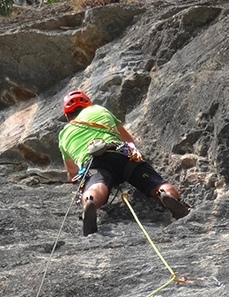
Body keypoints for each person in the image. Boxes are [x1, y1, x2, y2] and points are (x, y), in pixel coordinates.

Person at [58, 90, 190, 236]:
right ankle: (165, 194)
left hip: (94, 163)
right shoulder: (99, 110)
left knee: (96, 186)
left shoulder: (64, 134)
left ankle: (91, 201)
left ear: (67, 116)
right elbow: (130, 141)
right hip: (121, 155)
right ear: (88, 103)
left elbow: (72, 173)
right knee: (156, 183)